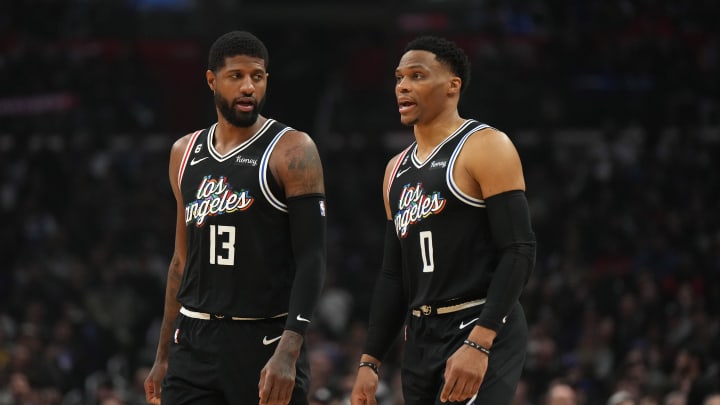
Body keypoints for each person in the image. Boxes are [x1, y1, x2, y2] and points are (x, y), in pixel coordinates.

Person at [143, 30, 327, 405]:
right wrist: (162, 356)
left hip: (262, 340)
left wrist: (290, 350)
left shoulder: (293, 149)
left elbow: (312, 259)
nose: (248, 87)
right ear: (212, 80)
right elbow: (181, 261)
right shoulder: (184, 151)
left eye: (257, 77)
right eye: (236, 76)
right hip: (193, 340)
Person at [350, 35, 536, 404]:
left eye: (417, 76)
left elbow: (519, 248)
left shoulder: (485, 145)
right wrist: (370, 362)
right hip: (420, 335)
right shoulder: (394, 170)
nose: (403, 86)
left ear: (453, 86)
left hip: (477, 320)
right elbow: (393, 275)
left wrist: (481, 341)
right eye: (399, 78)